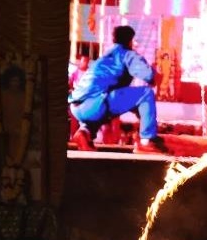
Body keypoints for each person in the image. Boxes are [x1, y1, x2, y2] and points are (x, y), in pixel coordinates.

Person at [69, 25, 165, 154]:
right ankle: (146, 141)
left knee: (104, 104)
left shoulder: (103, 58)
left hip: (77, 107)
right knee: (146, 94)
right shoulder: (127, 54)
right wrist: (157, 74)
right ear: (130, 41)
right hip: (96, 105)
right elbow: (149, 76)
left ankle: (84, 133)